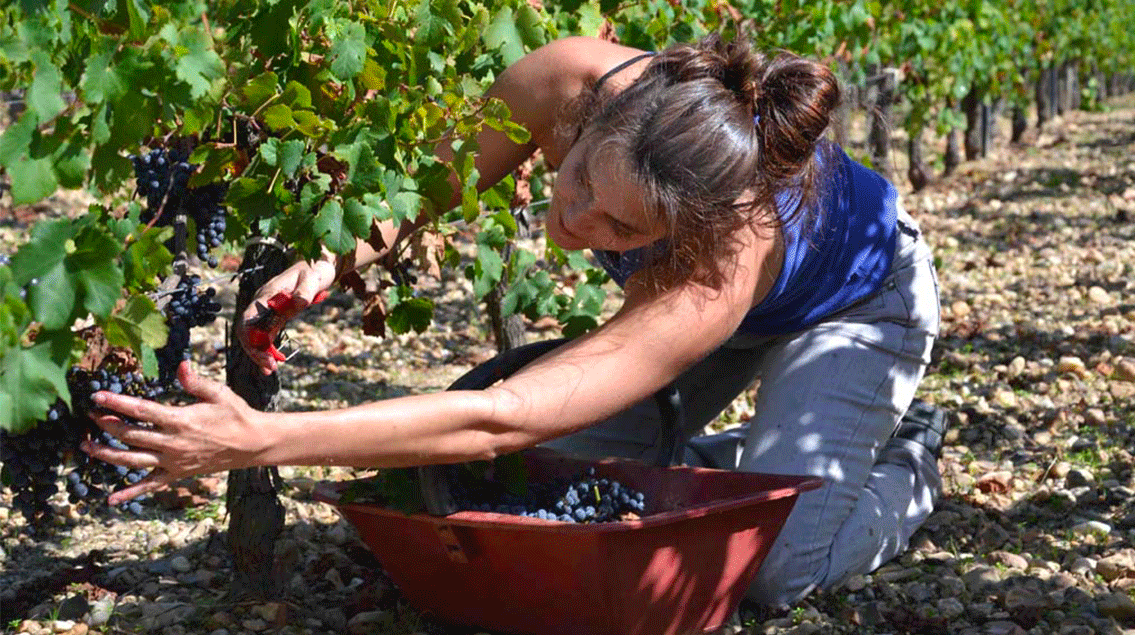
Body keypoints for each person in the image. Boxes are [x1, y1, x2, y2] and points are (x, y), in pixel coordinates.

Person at [84, 32, 944, 607]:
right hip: (706, 303)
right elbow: (428, 187)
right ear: (594, 121)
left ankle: (905, 460)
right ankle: (749, 466)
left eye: (621, 231)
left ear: (682, 232)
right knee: (559, 480)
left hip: (860, 305)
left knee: (776, 568)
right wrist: (332, 262)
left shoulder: (717, 267)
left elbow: (505, 414)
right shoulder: (566, 79)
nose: (577, 227)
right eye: (580, 187)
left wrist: (261, 439)